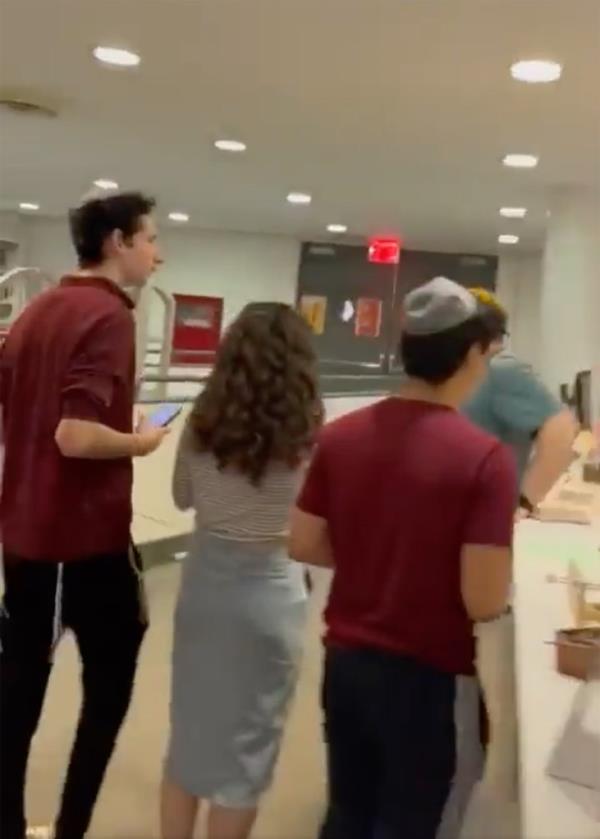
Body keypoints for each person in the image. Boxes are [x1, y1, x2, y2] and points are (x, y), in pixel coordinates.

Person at [289, 277, 517, 839]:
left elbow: (301, 541)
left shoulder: (340, 438)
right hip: (431, 679)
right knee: (416, 821)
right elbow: (483, 599)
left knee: (349, 811)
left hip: (347, 664)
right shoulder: (485, 458)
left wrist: (378, 556)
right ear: (469, 353)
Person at [0, 190, 168, 839]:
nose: (159, 251)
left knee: (17, 688)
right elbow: (74, 434)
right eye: (150, 238)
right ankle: (70, 827)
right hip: (79, 541)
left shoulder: (37, 309)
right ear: (118, 242)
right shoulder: (109, 317)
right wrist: (139, 441)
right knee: (108, 685)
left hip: (25, 533)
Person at [161, 303, 322, 839]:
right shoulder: (308, 432)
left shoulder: (203, 420)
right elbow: (314, 527)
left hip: (205, 586)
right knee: (250, 747)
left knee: (189, 733)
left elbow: (182, 497)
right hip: (272, 593)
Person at [464, 288, 577, 515]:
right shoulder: (460, 371)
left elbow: (561, 430)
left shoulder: (499, 368)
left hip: (480, 514)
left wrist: (524, 502)